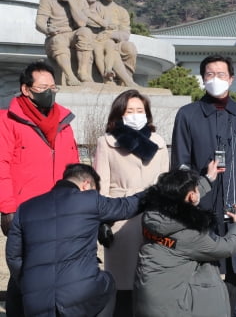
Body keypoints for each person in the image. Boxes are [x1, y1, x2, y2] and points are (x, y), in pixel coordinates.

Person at [171, 54, 236, 317]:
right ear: (203, 79)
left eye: (221, 74)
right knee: (204, 255)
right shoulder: (188, 114)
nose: (216, 79)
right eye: (210, 75)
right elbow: (180, 161)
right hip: (201, 199)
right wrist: (187, 194)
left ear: (232, 79)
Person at [5, 163, 144, 317]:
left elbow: (13, 256)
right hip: (79, 297)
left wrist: (27, 285)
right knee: (108, 281)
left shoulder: (25, 208)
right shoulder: (90, 200)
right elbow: (128, 206)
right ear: (86, 185)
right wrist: (157, 191)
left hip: (35, 301)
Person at [0, 61, 79, 316]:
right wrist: (7, 207)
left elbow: (75, 167)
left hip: (61, 210)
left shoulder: (64, 122)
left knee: (58, 272)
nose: (50, 92)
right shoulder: (7, 120)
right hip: (26, 212)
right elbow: (1, 165)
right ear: (26, 89)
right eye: (43, 87)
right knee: (23, 273)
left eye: (53, 87)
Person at [94, 89, 169, 317]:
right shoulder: (107, 142)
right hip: (120, 218)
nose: (136, 115)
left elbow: (165, 182)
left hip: (154, 217)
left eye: (140, 110)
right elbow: (101, 184)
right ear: (119, 114)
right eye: (130, 111)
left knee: (152, 282)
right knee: (122, 283)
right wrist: (102, 221)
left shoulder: (158, 142)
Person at [134, 168, 236, 317]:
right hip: (170, 308)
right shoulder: (190, 233)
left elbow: (180, 195)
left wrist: (207, 180)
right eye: (196, 189)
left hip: (148, 299)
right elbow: (225, 247)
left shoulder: (152, 214)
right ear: (192, 196)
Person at [35, 0, 93, 85]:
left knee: (86, 31)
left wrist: (71, 1)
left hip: (72, 35)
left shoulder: (81, 1)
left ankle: (82, 72)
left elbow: (82, 23)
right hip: (55, 35)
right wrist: (47, 30)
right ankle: (69, 76)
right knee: (59, 40)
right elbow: (39, 23)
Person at [97, 0, 138, 87]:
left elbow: (125, 34)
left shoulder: (121, 11)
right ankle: (111, 76)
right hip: (99, 41)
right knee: (109, 47)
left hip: (116, 42)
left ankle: (126, 80)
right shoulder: (94, 6)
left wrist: (111, 34)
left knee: (130, 48)